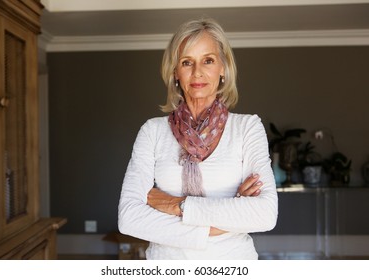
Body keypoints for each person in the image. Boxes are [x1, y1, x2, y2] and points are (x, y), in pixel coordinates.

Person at [118, 18, 278, 260]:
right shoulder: (152, 131)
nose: (198, 72)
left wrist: (178, 205)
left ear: (223, 67)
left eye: (208, 60)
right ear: (175, 73)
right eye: (186, 62)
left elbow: (265, 214)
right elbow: (129, 218)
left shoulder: (247, 127)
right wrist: (231, 213)